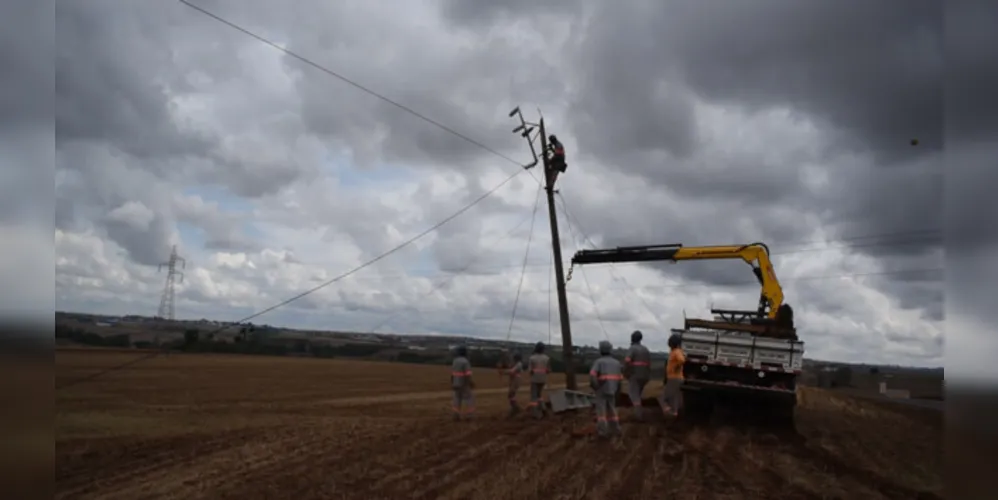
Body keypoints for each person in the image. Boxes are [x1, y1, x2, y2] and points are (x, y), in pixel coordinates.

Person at [589, 340, 623, 438]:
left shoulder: (599, 362)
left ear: (600, 350)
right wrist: (618, 391)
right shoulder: (617, 363)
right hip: (613, 389)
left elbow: (592, 375)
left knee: (601, 412)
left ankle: (603, 431)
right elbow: (620, 379)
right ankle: (616, 429)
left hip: (601, 389)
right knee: (612, 410)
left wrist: (595, 386)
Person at [624, 330, 652, 421]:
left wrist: (626, 372)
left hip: (635, 375)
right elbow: (649, 364)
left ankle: (638, 415)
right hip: (645, 376)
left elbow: (627, 361)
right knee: (638, 394)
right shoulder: (645, 349)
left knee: (633, 395)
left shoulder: (632, 348)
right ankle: (638, 412)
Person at [660, 334, 686, 418]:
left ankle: (668, 412)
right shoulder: (675, 351)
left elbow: (682, 360)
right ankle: (674, 413)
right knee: (673, 397)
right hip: (675, 378)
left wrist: (675, 367)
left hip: (674, 378)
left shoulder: (676, 351)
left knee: (662, 398)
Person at [450, 346, 475, 421]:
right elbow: (467, 374)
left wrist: (452, 382)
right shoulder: (465, 361)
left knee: (457, 399)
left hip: (456, 383)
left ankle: (456, 415)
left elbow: (452, 373)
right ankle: (469, 416)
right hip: (464, 383)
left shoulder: (455, 361)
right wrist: (469, 382)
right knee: (469, 399)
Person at [527, 342, 551, 419]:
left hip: (535, 379)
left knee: (534, 397)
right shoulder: (547, 358)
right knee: (539, 395)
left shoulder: (532, 358)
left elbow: (530, 370)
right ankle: (543, 409)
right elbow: (549, 370)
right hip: (543, 379)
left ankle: (537, 414)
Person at [505, 352, 524, 417]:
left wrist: (504, 372)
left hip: (516, 379)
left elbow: (512, 371)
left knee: (511, 394)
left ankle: (515, 408)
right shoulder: (517, 364)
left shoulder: (519, 364)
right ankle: (515, 408)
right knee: (511, 394)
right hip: (514, 379)